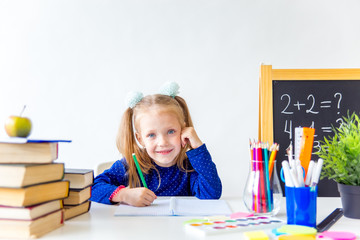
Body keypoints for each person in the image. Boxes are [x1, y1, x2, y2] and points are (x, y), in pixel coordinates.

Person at [90, 82, 222, 206]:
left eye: (171, 131)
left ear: (183, 131)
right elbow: (93, 187)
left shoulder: (190, 166)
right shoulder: (133, 164)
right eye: (151, 135)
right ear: (140, 139)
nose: (163, 142)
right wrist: (124, 195)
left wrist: (198, 148)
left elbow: (211, 194)